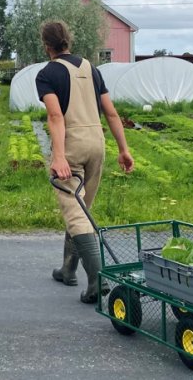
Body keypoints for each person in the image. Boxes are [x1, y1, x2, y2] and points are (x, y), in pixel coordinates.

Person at [36, 20, 134, 304]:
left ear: (47, 45)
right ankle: (68, 269)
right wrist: (124, 149)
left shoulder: (47, 73)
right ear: (69, 41)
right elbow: (112, 113)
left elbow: (55, 116)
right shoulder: (91, 69)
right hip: (97, 144)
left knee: (76, 215)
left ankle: (97, 282)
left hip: (73, 145)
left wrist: (57, 156)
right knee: (82, 210)